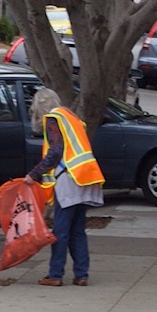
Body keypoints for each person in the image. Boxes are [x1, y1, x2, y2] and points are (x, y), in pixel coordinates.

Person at [23, 88, 105, 286]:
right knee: (77, 230)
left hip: (68, 179)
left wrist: (34, 174)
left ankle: (55, 274)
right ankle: (81, 274)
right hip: (83, 177)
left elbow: (55, 152)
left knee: (60, 231)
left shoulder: (53, 119)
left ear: (39, 107)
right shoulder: (71, 117)